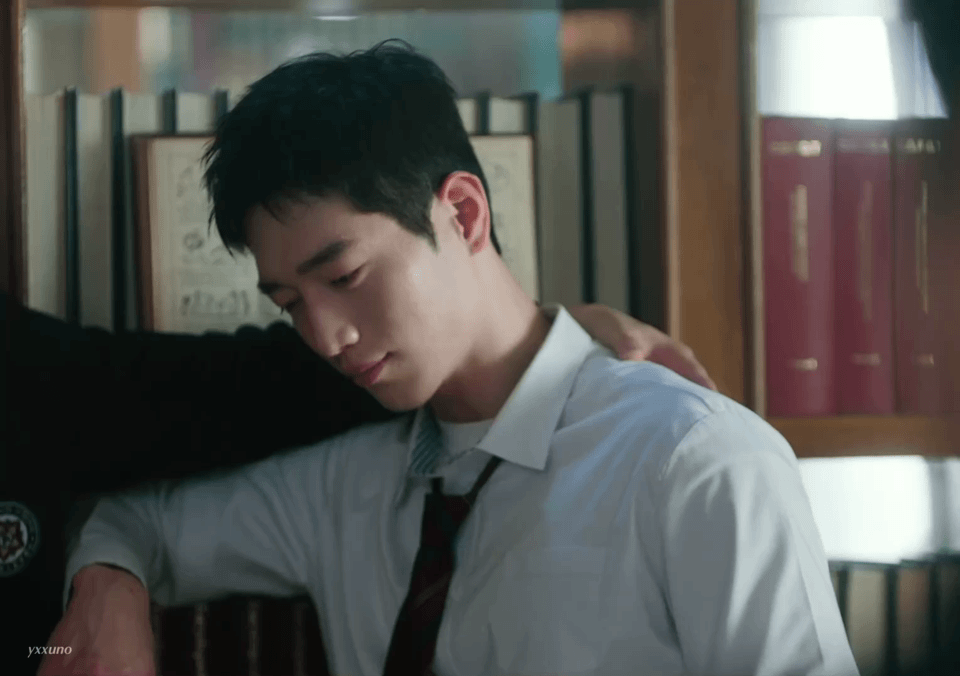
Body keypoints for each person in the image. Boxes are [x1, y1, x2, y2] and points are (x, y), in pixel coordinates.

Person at [37, 40, 857, 676]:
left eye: (345, 278)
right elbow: (134, 523)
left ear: (463, 214)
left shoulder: (694, 463)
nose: (325, 337)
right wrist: (108, 583)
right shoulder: (344, 481)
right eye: (290, 305)